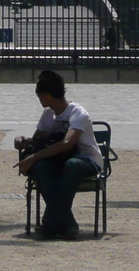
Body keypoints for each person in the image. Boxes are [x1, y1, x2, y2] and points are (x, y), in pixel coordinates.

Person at [15, 69, 102, 240]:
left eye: (39, 95)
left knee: (71, 166)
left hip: (85, 160)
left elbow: (67, 144)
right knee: (41, 167)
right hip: (58, 161)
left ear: (46, 95)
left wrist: (34, 157)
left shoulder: (78, 113)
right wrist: (24, 141)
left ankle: (50, 223)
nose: (39, 99)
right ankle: (67, 223)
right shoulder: (48, 114)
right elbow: (38, 140)